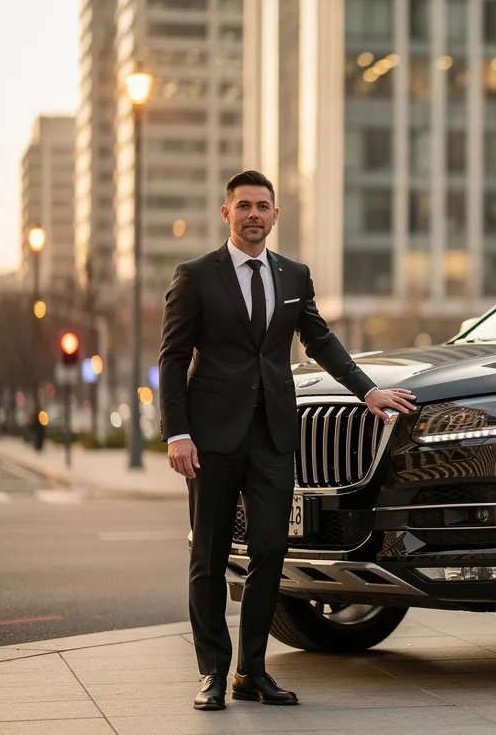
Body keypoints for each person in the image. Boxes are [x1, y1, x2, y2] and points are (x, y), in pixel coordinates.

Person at [159, 170, 416, 711]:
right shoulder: (196, 276)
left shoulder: (294, 275)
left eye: (263, 206)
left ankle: (252, 672)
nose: (254, 214)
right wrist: (177, 432)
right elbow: (173, 358)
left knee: (271, 551)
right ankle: (212, 672)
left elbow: (319, 339)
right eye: (244, 205)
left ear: (276, 216)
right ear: (226, 213)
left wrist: (367, 392)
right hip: (211, 438)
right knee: (208, 555)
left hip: (275, 434)